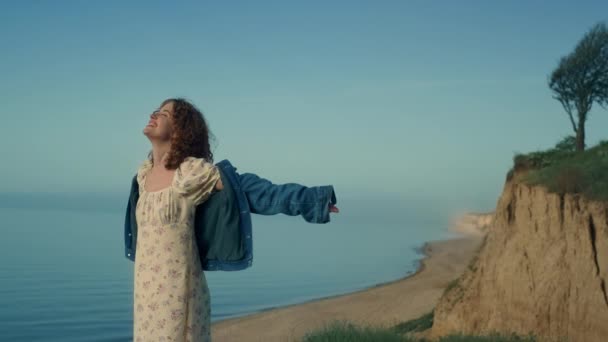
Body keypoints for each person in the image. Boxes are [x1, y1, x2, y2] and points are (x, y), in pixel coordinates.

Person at [131, 98, 338, 341]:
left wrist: (311, 201)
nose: (155, 115)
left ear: (180, 130)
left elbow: (249, 190)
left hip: (177, 294)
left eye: (165, 113)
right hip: (146, 296)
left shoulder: (190, 173)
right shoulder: (142, 177)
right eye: (156, 110)